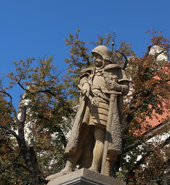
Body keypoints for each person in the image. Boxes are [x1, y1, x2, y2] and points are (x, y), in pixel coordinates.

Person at [46, 45, 129, 180]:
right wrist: (85, 84)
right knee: (80, 135)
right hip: (88, 106)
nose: (95, 59)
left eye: (98, 56)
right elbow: (83, 78)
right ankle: (68, 168)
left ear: (105, 57)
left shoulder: (116, 71)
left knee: (99, 136)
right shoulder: (91, 72)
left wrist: (117, 86)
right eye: (94, 56)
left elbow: (125, 88)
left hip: (103, 105)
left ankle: (95, 167)